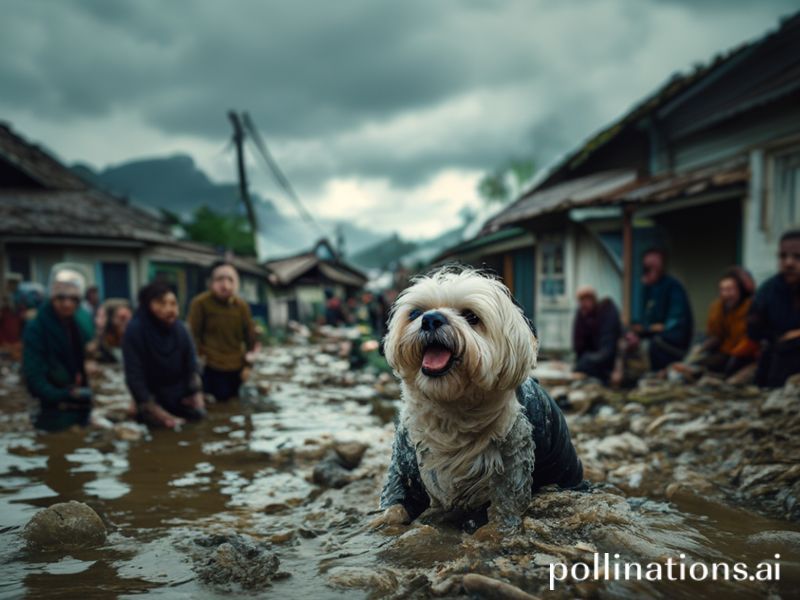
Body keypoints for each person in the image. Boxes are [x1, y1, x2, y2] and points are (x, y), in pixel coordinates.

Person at [123, 282, 205, 428]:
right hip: (152, 400)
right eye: (161, 303)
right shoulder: (135, 331)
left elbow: (192, 366)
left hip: (180, 397)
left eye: (173, 303)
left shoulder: (181, 330)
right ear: (148, 305)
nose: (169, 309)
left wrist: (196, 396)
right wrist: (156, 411)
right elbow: (134, 377)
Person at [22, 267, 95, 431]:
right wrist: (65, 394)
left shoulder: (77, 324)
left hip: (77, 405)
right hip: (51, 409)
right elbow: (34, 378)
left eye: (73, 299)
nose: (67, 304)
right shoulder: (37, 328)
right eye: (61, 298)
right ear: (52, 298)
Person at [187, 261, 257, 402]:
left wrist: (248, 367)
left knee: (234, 405)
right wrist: (195, 366)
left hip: (236, 368)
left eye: (230, 280)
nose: (225, 285)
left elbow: (251, 339)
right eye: (220, 279)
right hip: (210, 367)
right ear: (211, 283)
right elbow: (192, 337)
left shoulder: (241, 306)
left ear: (237, 283)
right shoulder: (200, 303)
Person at [684, 269, 759, 378]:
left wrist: (735, 354)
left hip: (744, 354)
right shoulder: (717, 308)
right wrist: (700, 349)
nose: (726, 294)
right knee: (696, 364)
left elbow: (751, 339)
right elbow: (716, 336)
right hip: (724, 352)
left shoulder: (750, 307)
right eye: (722, 290)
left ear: (740, 290)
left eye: (730, 289)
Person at [748, 230, 800, 388]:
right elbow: (754, 331)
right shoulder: (768, 291)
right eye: (783, 256)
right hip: (777, 361)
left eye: (797, 257)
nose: (789, 263)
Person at [629, 248, 693, 372]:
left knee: (652, 345)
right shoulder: (648, 288)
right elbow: (646, 319)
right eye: (647, 267)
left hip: (673, 342)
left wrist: (649, 329)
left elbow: (673, 323)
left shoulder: (673, 287)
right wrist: (638, 331)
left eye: (653, 265)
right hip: (655, 337)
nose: (650, 270)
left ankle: (656, 374)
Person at [572, 285, 622, 382]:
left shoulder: (607, 311)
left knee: (585, 362)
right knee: (583, 363)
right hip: (597, 356)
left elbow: (608, 348)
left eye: (587, 299)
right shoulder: (583, 314)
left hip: (612, 357)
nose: (584, 304)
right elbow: (578, 345)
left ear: (593, 299)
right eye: (581, 300)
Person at [89, 299, 133, 364]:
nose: (98, 322)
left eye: (129, 318)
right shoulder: (94, 351)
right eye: (122, 318)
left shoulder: (135, 347)